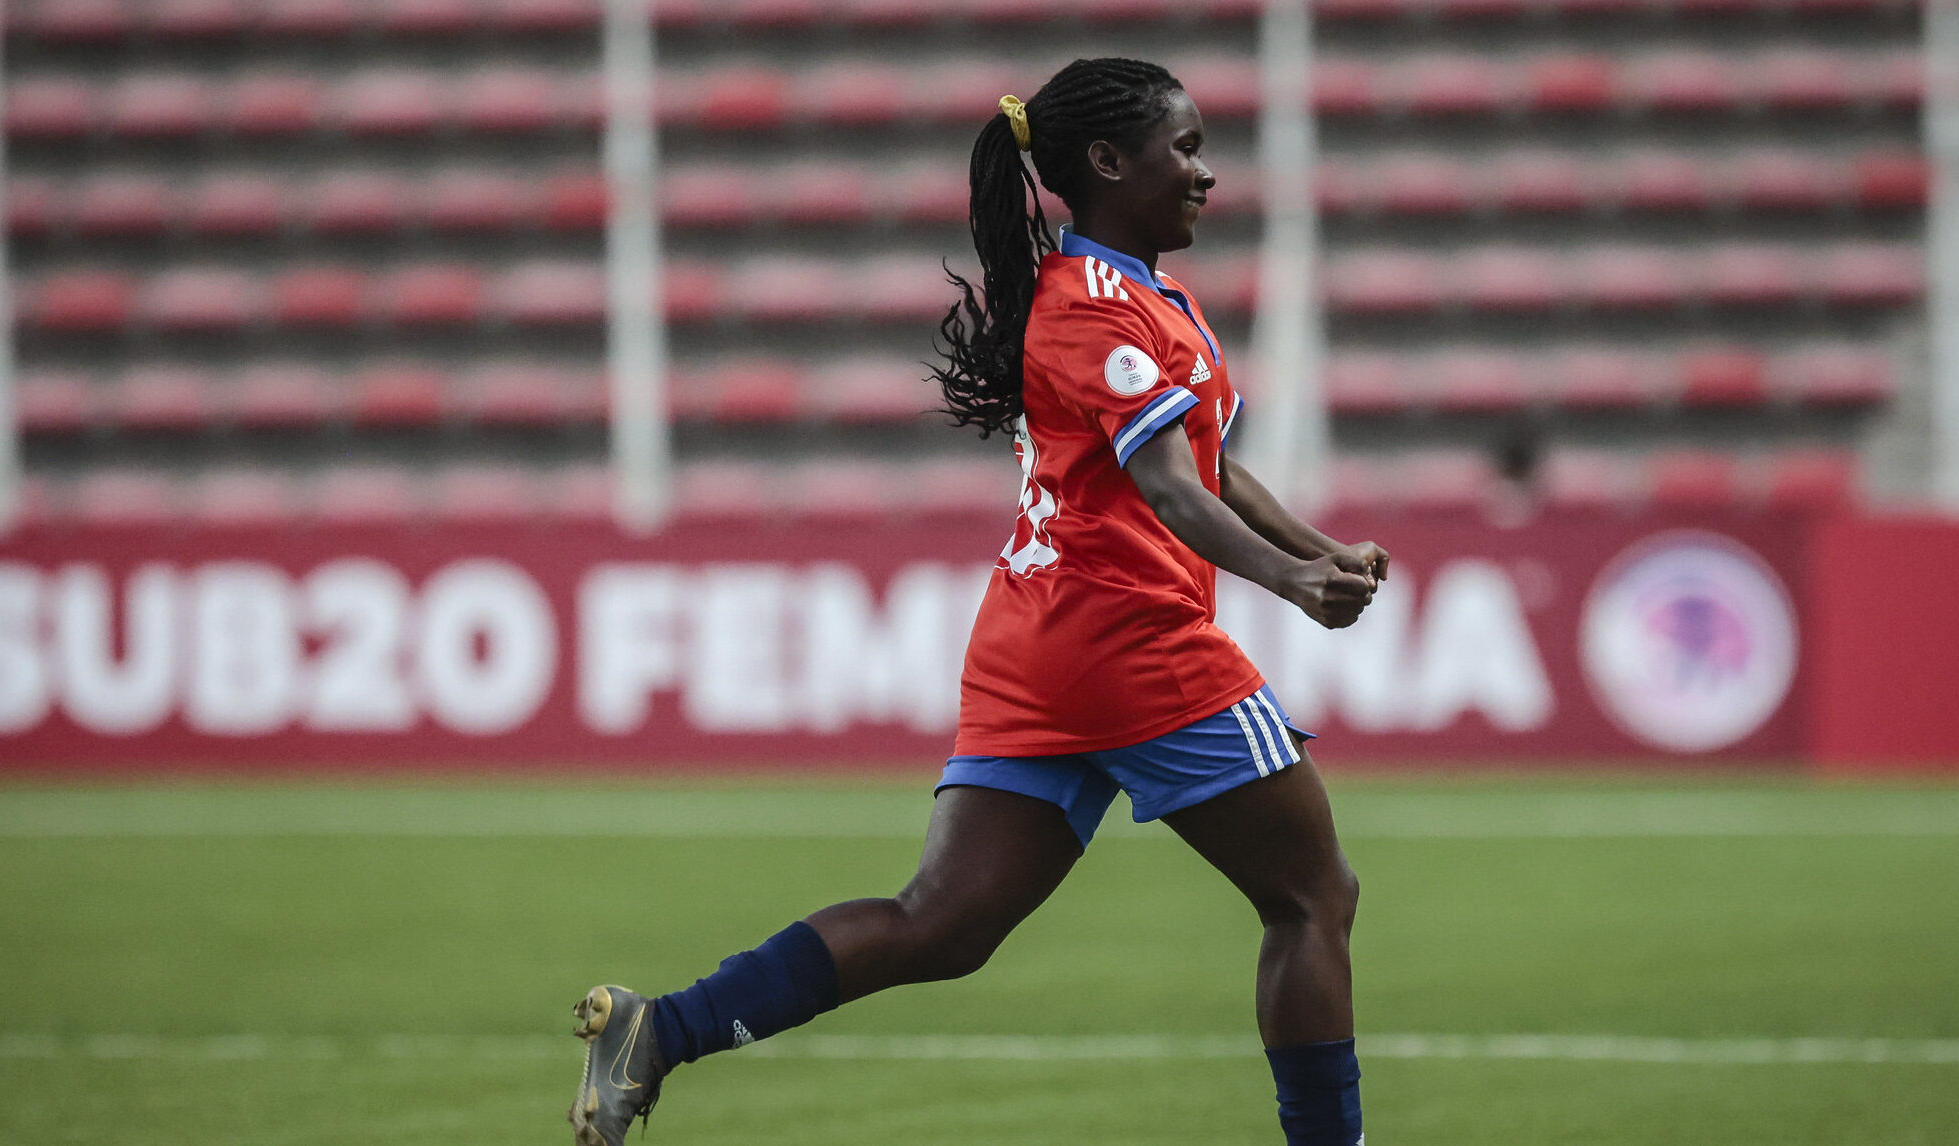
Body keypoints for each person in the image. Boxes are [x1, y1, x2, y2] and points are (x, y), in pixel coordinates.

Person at [567, 57, 1388, 1146]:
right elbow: (1170, 488)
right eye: (1184, 149)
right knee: (1311, 899)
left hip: (1040, 645)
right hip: (1131, 641)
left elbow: (1214, 466)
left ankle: (657, 1031)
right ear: (1106, 162)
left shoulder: (1139, 296)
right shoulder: (1097, 313)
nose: (1205, 174)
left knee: (941, 924)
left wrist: (1319, 548)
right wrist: (1290, 584)